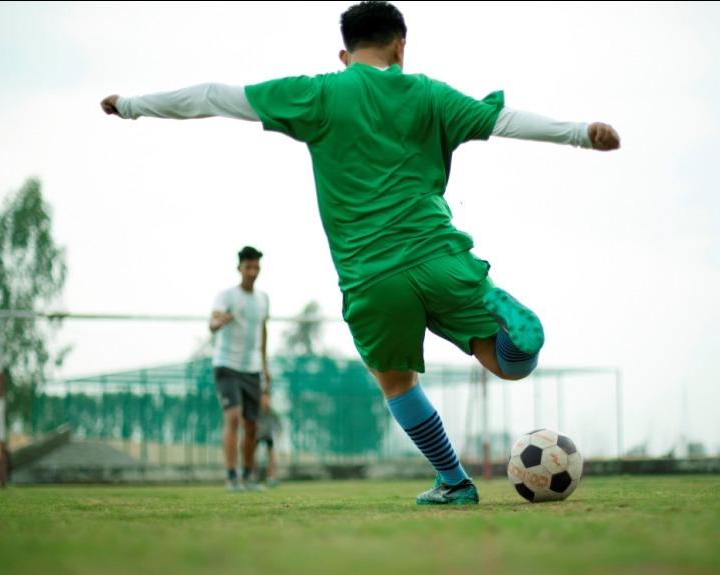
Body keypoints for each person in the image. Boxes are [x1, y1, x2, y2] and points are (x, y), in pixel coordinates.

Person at [101, 0, 620, 505]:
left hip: (371, 277)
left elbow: (214, 95)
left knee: (395, 382)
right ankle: (514, 332)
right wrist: (579, 134)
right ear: (400, 47)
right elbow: (501, 119)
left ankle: (455, 483)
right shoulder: (428, 94)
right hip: (439, 255)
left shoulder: (321, 94)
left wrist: (131, 106)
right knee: (507, 365)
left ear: (344, 55)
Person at [210, 246, 272, 492]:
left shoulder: (263, 299)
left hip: (252, 369)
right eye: (248, 267)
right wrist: (217, 322)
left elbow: (263, 332)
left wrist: (265, 368)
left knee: (252, 425)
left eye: (256, 267)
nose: (252, 272)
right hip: (226, 365)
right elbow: (213, 321)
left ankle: (248, 475)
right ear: (240, 268)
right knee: (233, 418)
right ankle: (231, 476)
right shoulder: (226, 296)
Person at [256, 393, 284, 487]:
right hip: (257, 435)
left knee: (271, 457)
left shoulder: (273, 413)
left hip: (268, 436)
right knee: (252, 457)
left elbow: (278, 428)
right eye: (264, 399)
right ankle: (251, 477)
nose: (266, 401)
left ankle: (271, 478)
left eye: (267, 399)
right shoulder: (256, 412)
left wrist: (280, 443)